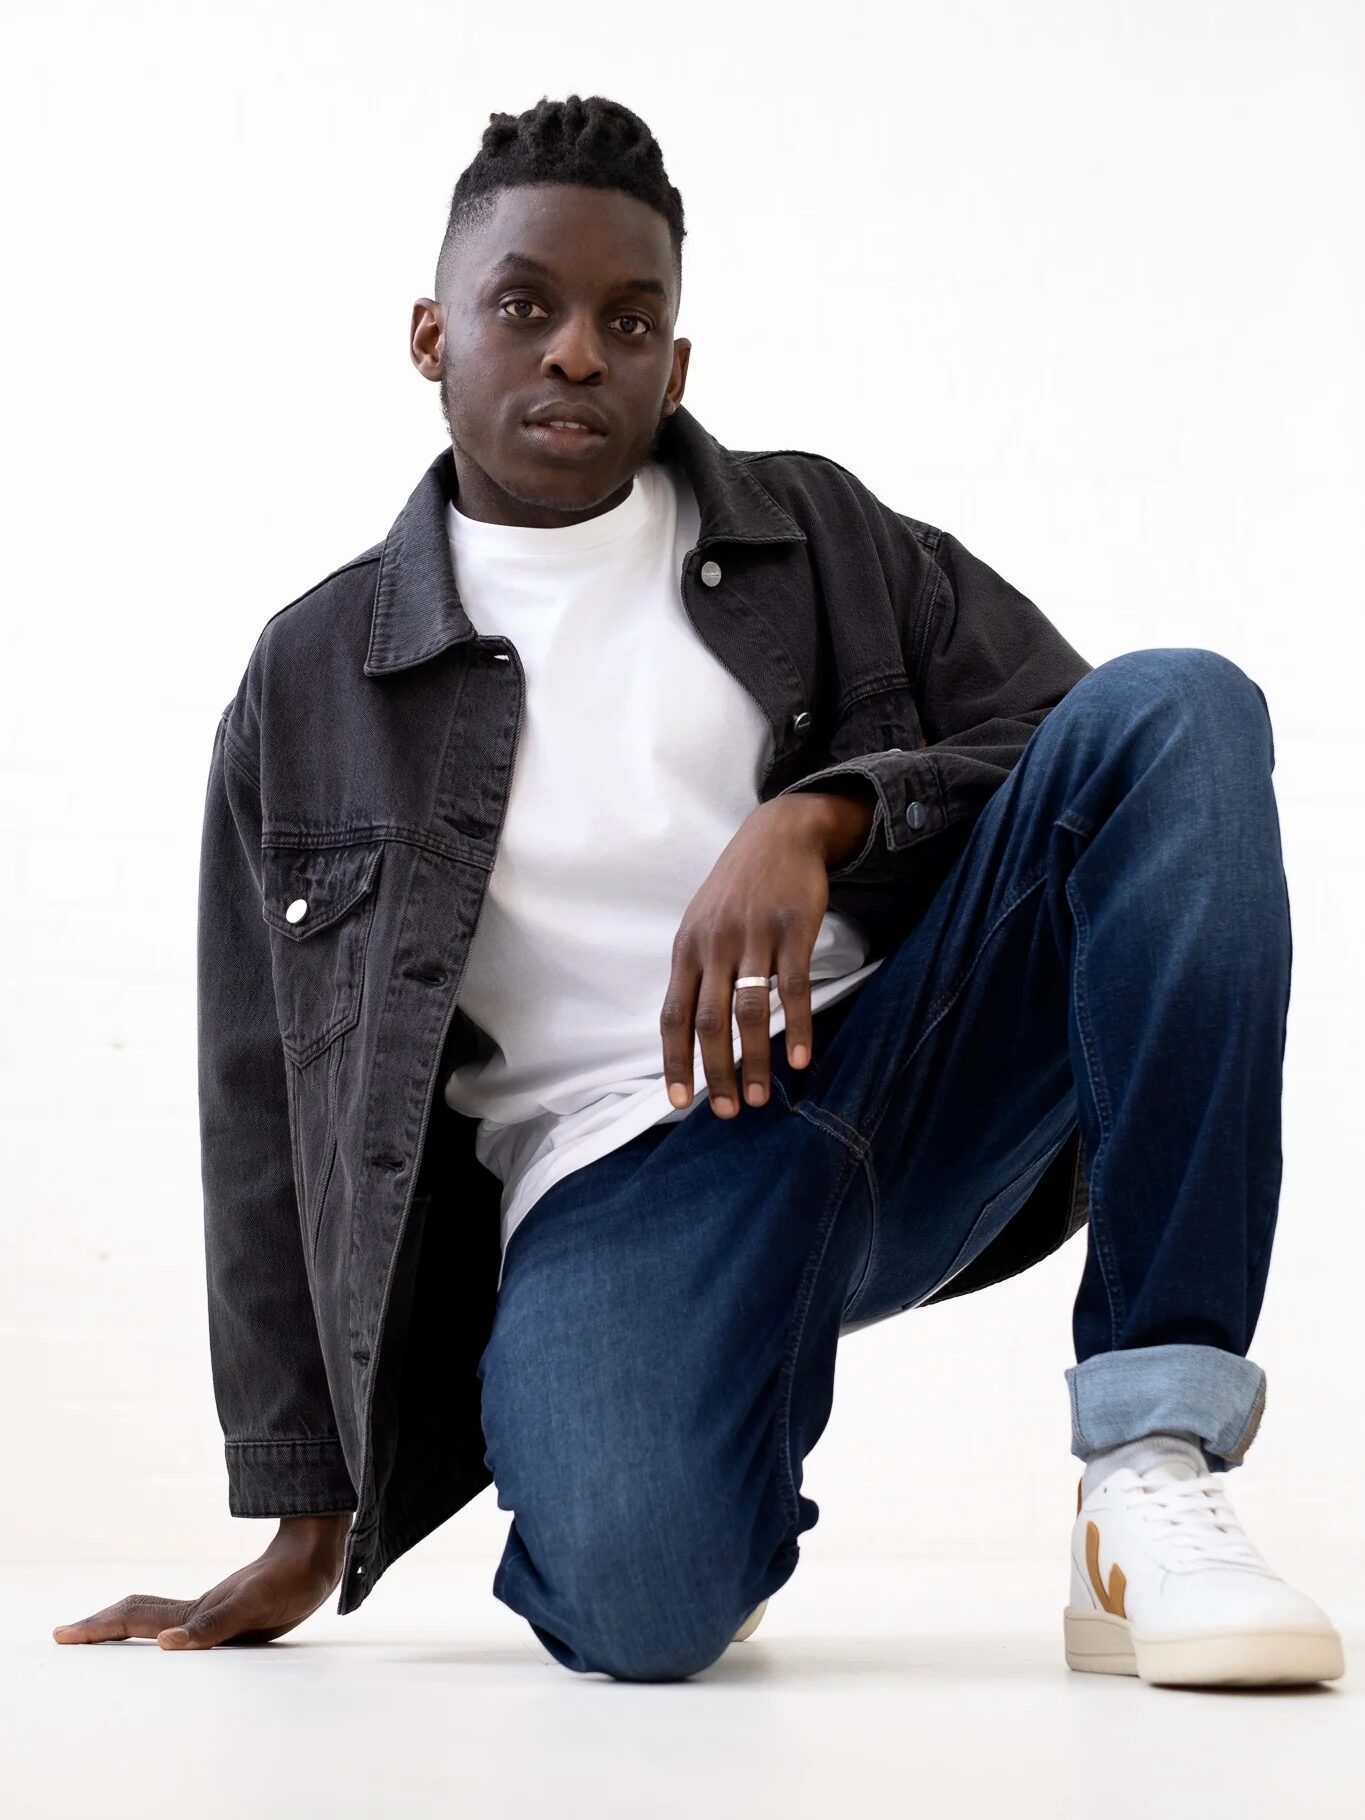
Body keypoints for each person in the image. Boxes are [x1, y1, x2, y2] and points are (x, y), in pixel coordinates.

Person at [53, 93, 1343, 1688]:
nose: (577, 352)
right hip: (619, 1187)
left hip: (908, 1068)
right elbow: (257, 1101)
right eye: (525, 305)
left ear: (677, 361)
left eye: (629, 318)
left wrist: (831, 815)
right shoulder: (315, 680)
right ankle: (690, 1465)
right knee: (638, 1615)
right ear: (429, 333)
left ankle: (1147, 1471)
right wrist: (302, 1519)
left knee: (1182, 709)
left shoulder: (822, 536)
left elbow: (1089, 757)